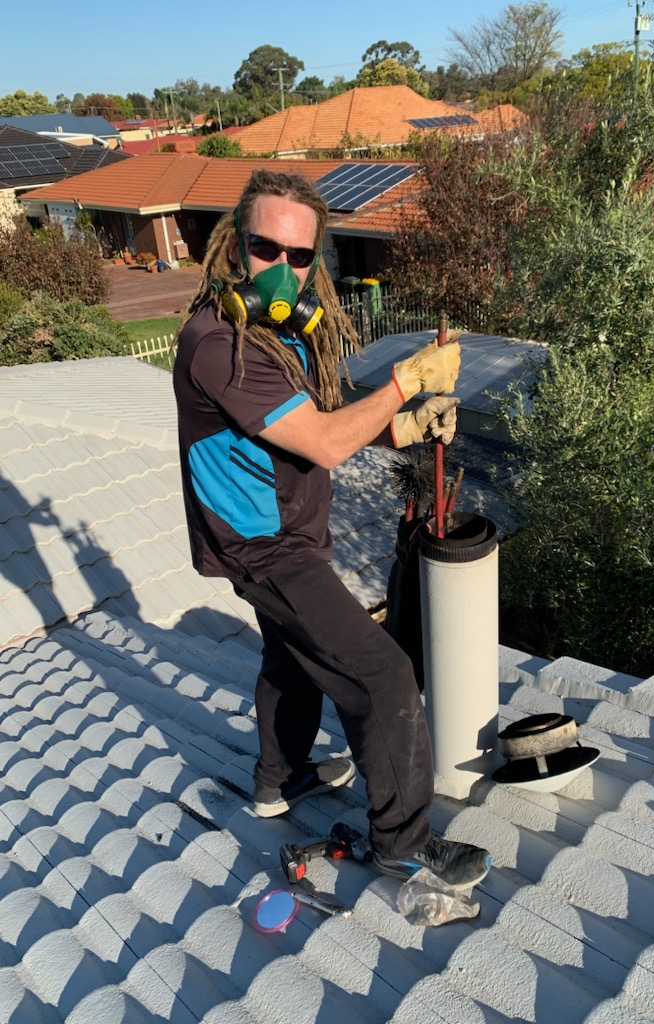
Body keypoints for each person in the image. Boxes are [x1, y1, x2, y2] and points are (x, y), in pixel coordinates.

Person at [173, 169, 491, 890]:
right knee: (382, 676)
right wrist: (405, 386)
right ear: (233, 250)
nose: (283, 272)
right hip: (269, 548)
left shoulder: (273, 336)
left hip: (279, 533)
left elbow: (316, 423)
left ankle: (275, 783)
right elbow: (322, 442)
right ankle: (402, 844)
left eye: (299, 256)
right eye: (266, 249)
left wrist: (400, 427)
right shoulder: (219, 344)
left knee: (292, 660)